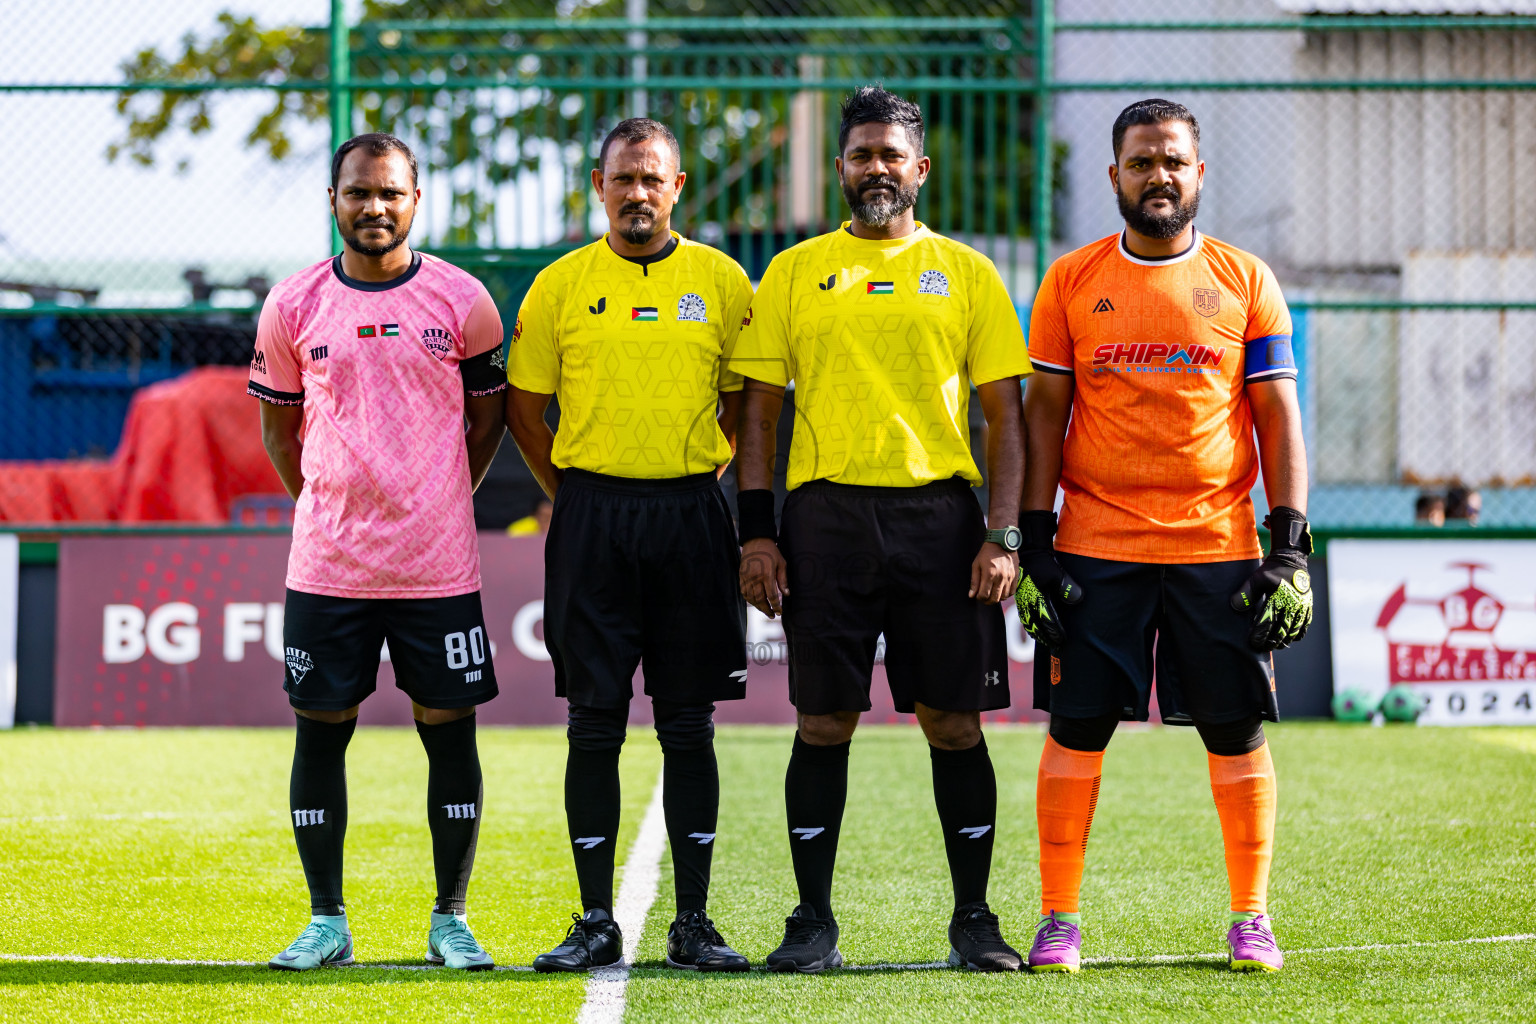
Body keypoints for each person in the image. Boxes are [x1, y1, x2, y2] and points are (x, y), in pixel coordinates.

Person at [731, 86, 1031, 973]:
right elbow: (757, 420)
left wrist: (1004, 535)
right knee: (823, 721)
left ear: (920, 168)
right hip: (823, 519)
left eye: (890, 156)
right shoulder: (791, 272)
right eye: (860, 155)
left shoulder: (969, 274)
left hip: (941, 522)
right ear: (840, 169)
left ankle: (975, 919)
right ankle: (811, 920)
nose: (876, 170)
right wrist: (757, 534)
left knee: (953, 723)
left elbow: (1005, 422)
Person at [1014, 99, 1312, 975]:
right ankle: (1059, 920)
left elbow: (1279, 419)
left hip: (1218, 552)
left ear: (1199, 173)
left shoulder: (1247, 281)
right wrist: (1035, 543)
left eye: (1173, 161)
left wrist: (1288, 548)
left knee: (1234, 732)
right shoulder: (1070, 282)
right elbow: (1044, 418)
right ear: (1115, 177)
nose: (1159, 177)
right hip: (1096, 548)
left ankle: (1251, 917)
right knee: (1077, 729)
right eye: (1141, 163)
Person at [250, 133, 508, 971]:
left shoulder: (463, 301)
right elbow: (279, 430)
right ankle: (327, 921)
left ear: (416, 199)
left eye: (390, 193)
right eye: (359, 193)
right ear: (335, 201)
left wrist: (437, 499)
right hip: (328, 568)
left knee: (450, 734)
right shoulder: (292, 306)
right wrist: (326, 505)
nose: (375, 208)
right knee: (320, 733)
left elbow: (487, 420)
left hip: (437, 567)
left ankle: (451, 919)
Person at [507, 117, 753, 973]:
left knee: (688, 725)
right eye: (623, 178)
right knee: (593, 725)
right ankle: (593, 919)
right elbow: (524, 411)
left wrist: (697, 469)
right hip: (592, 522)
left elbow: (742, 405)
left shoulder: (721, 281)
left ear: (677, 187)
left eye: (653, 178)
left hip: (690, 516)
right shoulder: (560, 285)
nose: (637, 192)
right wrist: (570, 493)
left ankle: (693, 923)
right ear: (599, 186)